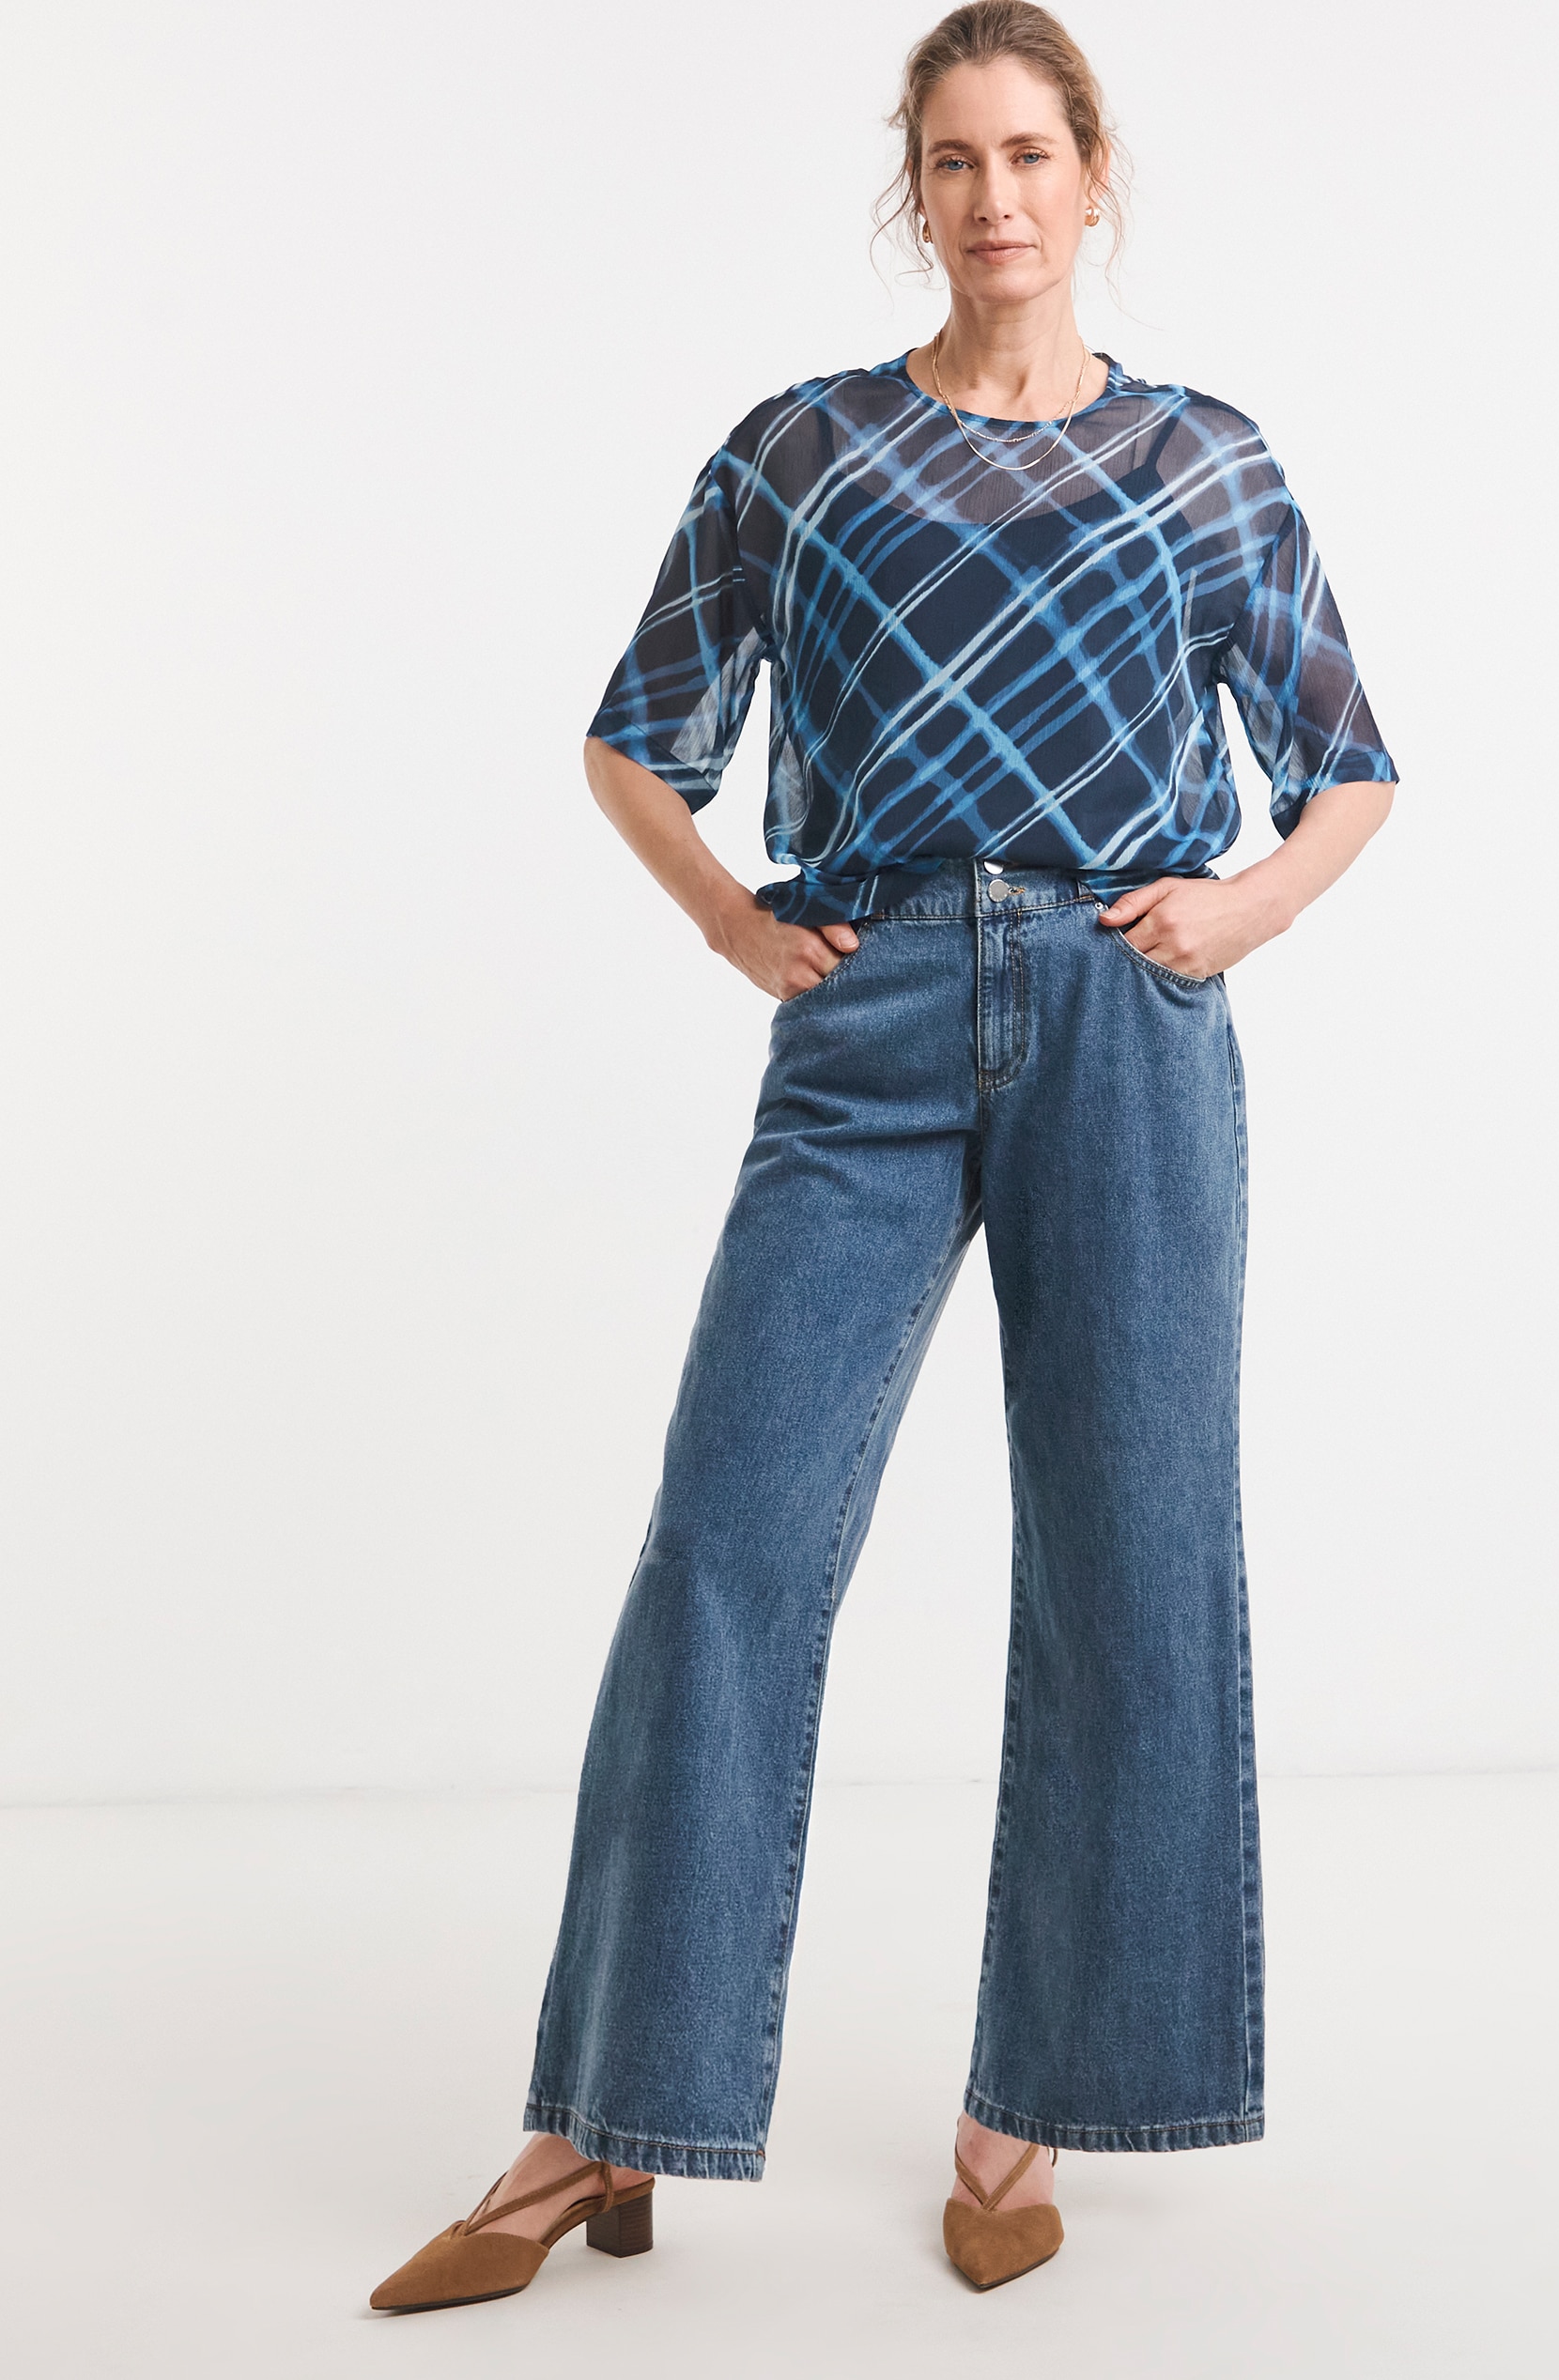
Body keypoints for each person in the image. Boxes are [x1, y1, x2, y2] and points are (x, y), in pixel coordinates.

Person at [370, 0, 1397, 2313]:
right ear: (912, 192)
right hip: (878, 1015)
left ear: (1093, 168)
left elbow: (1351, 764)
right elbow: (640, 740)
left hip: (1131, 1020)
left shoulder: (1206, 462)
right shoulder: (804, 454)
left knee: (1135, 1553)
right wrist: (743, 923)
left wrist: (1230, 911)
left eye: (1030, 150)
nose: (996, 196)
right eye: (953, 160)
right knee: (730, 1535)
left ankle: (1029, 2111)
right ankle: (593, 2123)